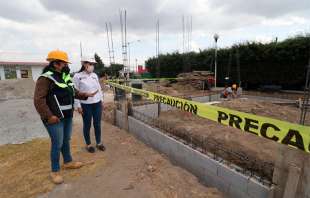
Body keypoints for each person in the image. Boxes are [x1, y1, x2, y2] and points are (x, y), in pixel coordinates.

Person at [34, 50, 97, 184]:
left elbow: (73, 92)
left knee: (65, 140)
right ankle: (55, 171)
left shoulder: (64, 76)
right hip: (54, 118)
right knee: (57, 143)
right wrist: (49, 116)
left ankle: (67, 162)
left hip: (67, 115)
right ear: (55, 63)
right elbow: (38, 100)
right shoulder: (45, 78)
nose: (65, 65)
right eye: (63, 63)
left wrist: (85, 94)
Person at [73, 56, 105, 153]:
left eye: (93, 64)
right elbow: (75, 92)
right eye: (90, 64)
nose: (92, 66)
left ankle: (99, 143)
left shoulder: (94, 75)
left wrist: (101, 101)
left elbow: (99, 89)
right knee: (87, 125)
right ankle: (89, 144)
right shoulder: (77, 76)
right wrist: (78, 106)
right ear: (84, 64)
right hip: (85, 105)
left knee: (97, 124)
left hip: (97, 104)